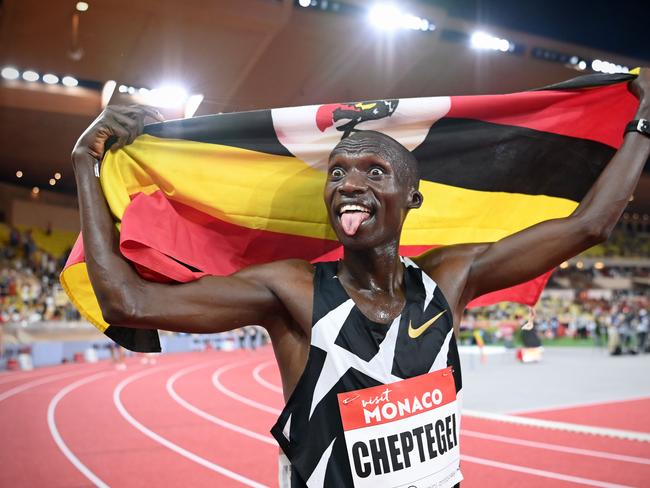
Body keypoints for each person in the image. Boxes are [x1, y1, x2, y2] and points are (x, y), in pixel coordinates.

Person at [71, 71, 649, 487]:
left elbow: (589, 225)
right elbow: (129, 303)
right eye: (338, 173)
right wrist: (85, 163)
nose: (349, 183)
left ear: (411, 196)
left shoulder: (450, 277)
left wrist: (643, 123)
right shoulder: (291, 290)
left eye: (375, 171)